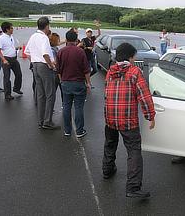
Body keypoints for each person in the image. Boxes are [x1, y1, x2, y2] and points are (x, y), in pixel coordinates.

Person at [102, 43, 156, 199]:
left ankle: (107, 170)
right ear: (130, 57)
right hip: (128, 120)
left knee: (110, 144)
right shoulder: (135, 72)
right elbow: (144, 96)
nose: (135, 59)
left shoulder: (110, 71)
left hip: (110, 117)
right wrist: (150, 116)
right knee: (133, 151)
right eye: (134, 56)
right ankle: (133, 187)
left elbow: (106, 92)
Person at [25, 17, 60, 130]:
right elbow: (45, 54)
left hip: (35, 65)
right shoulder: (44, 38)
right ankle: (47, 121)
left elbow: (27, 52)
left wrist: (35, 60)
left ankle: (41, 120)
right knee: (50, 94)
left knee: (40, 94)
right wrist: (50, 65)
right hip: (44, 66)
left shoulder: (33, 36)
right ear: (47, 26)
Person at [56, 30, 91, 138]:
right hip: (79, 83)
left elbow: (58, 70)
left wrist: (62, 81)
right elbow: (86, 70)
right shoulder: (80, 52)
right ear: (76, 40)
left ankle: (67, 130)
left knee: (66, 106)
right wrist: (88, 83)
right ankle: (79, 131)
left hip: (65, 83)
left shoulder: (61, 52)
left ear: (66, 39)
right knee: (78, 107)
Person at [0, 22, 23, 101]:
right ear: (7, 29)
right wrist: (3, 59)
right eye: (11, 28)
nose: (12, 29)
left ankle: (16, 88)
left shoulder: (11, 36)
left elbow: (10, 47)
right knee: (7, 77)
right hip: (6, 59)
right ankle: (7, 94)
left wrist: (17, 48)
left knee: (19, 74)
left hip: (14, 58)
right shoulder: (1, 38)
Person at [49, 32, 63, 106]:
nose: (59, 41)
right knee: (54, 91)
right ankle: (50, 107)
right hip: (55, 73)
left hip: (56, 72)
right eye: (58, 40)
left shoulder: (55, 48)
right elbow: (55, 62)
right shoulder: (52, 50)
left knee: (56, 90)